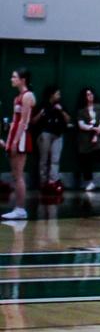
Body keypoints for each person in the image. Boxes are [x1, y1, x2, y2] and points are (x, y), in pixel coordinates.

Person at [3, 69, 35, 222]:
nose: (12, 79)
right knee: (15, 175)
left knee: (19, 174)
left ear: (23, 79)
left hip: (21, 137)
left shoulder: (28, 96)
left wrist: (15, 141)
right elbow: (15, 122)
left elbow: (23, 121)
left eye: (14, 76)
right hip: (14, 134)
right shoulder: (17, 97)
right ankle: (17, 208)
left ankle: (21, 209)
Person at [34, 87, 70, 194]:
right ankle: (43, 182)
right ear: (51, 95)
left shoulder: (61, 105)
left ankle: (53, 182)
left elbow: (68, 119)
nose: (59, 96)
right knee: (43, 159)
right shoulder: (43, 105)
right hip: (45, 133)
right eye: (57, 94)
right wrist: (41, 114)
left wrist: (61, 111)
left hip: (58, 134)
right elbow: (33, 121)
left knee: (55, 159)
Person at [72, 88, 100, 189]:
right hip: (85, 139)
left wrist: (98, 129)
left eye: (91, 94)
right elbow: (81, 124)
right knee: (86, 159)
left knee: (98, 153)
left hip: (98, 137)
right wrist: (91, 128)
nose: (90, 96)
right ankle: (89, 181)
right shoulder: (81, 111)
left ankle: (90, 180)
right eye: (87, 94)